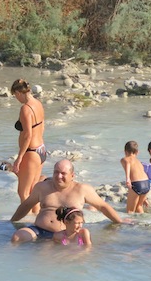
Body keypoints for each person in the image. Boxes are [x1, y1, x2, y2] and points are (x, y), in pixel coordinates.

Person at [10, 159, 123, 242]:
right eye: (56, 172)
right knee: (16, 237)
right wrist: (12, 221)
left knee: (49, 256)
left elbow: (103, 207)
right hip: (38, 229)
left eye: (63, 173)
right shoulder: (42, 187)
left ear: (72, 175)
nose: (59, 176)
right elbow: (26, 205)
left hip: (66, 235)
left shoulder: (82, 189)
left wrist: (120, 222)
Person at [11, 79, 46, 215]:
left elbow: (27, 136)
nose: (16, 99)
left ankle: (24, 224)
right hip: (41, 149)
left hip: (31, 152)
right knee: (33, 191)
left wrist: (19, 157)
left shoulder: (25, 109)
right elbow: (42, 126)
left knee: (23, 192)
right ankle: (36, 219)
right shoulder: (38, 104)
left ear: (19, 92)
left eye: (15, 95)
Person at [121, 140, 151, 213]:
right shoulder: (138, 161)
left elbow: (128, 163)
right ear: (137, 152)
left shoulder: (125, 159)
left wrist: (128, 179)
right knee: (139, 206)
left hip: (137, 184)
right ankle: (143, 223)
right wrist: (144, 199)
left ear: (125, 151)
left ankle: (131, 224)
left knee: (130, 211)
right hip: (147, 183)